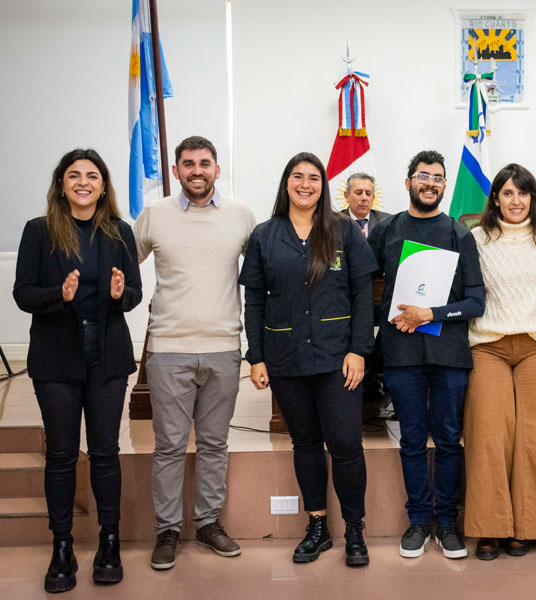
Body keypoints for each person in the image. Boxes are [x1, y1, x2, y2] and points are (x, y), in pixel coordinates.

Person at [14, 149, 142, 592]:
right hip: (56, 360)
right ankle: (62, 548)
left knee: (105, 452)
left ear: (104, 186)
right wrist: (59, 295)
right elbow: (23, 294)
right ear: (62, 183)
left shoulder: (121, 232)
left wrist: (121, 293)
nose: (83, 182)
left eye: (92, 176)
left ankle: (110, 542)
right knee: (62, 455)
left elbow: (135, 295)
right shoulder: (39, 231)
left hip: (107, 358)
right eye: (74, 175)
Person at [240, 152, 377, 566]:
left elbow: (361, 294)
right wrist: (256, 357)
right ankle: (317, 527)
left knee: (346, 445)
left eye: (313, 178)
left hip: (339, 359)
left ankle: (355, 529)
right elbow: (254, 301)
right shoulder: (265, 235)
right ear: (286, 184)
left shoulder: (343, 231)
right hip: (286, 358)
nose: (305, 184)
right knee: (305, 443)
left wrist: (359, 350)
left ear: (323, 185)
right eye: (297, 177)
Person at [134, 136, 256, 570]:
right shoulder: (154, 215)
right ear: (176, 171)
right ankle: (167, 531)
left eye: (205, 163)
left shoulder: (241, 216)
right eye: (188, 164)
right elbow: (124, 266)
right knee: (168, 446)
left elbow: (261, 274)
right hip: (169, 350)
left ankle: (207, 524)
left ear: (217, 170)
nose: (197, 171)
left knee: (213, 443)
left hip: (224, 348)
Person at [367, 150, 485, 560]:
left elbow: (476, 303)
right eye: (423, 176)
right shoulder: (385, 231)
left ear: (444, 186)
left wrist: (430, 314)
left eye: (437, 178)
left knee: (450, 441)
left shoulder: (459, 234)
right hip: (401, 355)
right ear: (408, 183)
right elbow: (364, 287)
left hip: (449, 355)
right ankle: (418, 520)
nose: (430, 183)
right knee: (413, 441)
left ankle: (447, 523)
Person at [463, 164, 536, 561]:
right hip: (488, 345)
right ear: (496, 200)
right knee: (489, 437)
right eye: (507, 193)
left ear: (533, 198)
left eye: (523, 193)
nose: (516, 201)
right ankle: (491, 529)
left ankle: (530, 527)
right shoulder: (476, 239)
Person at [340, 172, 389, 237]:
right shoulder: (333, 223)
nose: (364, 198)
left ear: (373, 198)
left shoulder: (387, 222)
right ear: (347, 196)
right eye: (358, 193)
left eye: (368, 193)